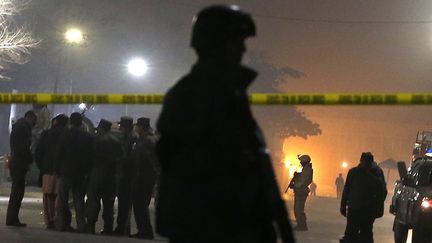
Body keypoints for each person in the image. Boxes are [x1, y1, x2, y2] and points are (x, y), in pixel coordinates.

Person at [156, 5, 293, 243]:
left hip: (228, 224)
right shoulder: (196, 94)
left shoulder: (227, 93)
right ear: (217, 45)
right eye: (236, 41)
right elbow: (189, 168)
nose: (242, 48)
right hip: (210, 227)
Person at [54, 112, 94, 233]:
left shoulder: (65, 135)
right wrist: (88, 171)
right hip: (81, 173)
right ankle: (81, 225)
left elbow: (59, 153)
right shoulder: (88, 137)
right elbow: (91, 156)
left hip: (65, 172)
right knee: (79, 200)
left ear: (71, 121)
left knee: (62, 199)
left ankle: (61, 224)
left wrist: (56, 169)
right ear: (81, 122)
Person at [85, 119, 122, 235]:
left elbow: (90, 156)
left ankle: (90, 225)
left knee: (93, 199)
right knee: (108, 202)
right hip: (111, 174)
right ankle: (108, 228)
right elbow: (121, 157)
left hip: (97, 171)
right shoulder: (116, 140)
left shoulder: (96, 139)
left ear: (101, 127)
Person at [340, 152, 387, 243]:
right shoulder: (354, 172)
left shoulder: (376, 174)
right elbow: (347, 190)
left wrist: (378, 208)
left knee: (364, 233)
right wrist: (343, 205)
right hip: (356, 208)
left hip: (366, 209)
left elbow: (381, 193)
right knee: (353, 233)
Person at [35, 114, 69, 229]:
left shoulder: (46, 134)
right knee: (60, 196)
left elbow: (38, 152)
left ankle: (49, 221)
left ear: (55, 122)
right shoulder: (67, 134)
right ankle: (59, 221)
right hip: (61, 171)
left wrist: (42, 167)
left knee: (47, 196)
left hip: (47, 170)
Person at [6, 110, 37, 227]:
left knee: (16, 192)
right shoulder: (23, 128)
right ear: (30, 117)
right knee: (17, 192)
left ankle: (12, 218)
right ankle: (12, 219)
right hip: (19, 163)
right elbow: (23, 147)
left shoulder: (18, 127)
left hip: (16, 162)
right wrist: (30, 158)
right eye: (34, 120)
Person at [130, 117, 157, 239]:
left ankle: (145, 231)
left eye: (137, 126)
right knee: (142, 205)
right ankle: (145, 231)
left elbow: (141, 159)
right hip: (149, 177)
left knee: (139, 205)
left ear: (141, 127)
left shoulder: (145, 140)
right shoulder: (153, 138)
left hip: (143, 176)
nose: (136, 128)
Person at [114, 116, 138, 236]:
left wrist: (120, 160)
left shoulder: (133, 138)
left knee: (125, 203)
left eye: (121, 126)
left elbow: (131, 157)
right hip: (124, 174)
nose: (119, 128)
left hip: (128, 175)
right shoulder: (127, 136)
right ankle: (121, 227)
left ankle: (123, 228)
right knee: (123, 203)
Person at [287, 154, 313, 231]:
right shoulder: (306, 169)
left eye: (301, 161)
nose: (300, 163)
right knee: (299, 209)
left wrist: (294, 185)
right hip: (301, 191)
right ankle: (301, 224)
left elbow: (303, 182)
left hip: (301, 191)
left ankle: (301, 225)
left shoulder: (307, 170)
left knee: (298, 209)